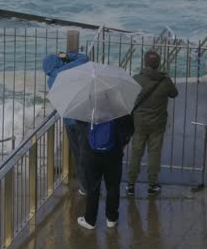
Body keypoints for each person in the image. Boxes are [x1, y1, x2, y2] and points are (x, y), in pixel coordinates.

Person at [126, 50, 178, 197]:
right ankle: (152, 185)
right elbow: (174, 94)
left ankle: (131, 184)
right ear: (158, 64)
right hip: (157, 123)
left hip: (139, 123)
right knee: (154, 154)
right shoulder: (165, 81)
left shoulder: (136, 79)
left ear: (145, 63)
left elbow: (129, 96)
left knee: (136, 152)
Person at [76, 112, 135, 230]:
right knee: (113, 185)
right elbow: (130, 129)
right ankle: (112, 218)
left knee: (92, 187)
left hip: (91, 153)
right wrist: (121, 143)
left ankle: (90, 220)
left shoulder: (87, 107)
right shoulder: (119, 108)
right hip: (114, 152)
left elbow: (80, 124)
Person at [44, 49, 91, 193]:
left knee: (77, 153)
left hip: (68, 121)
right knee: (87, 152)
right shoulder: (65, 71)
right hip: (81, 118)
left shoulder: (50, 80)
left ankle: (83, 185)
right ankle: (91, 183)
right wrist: (68, 56)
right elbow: (84, 58)